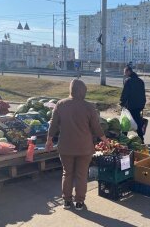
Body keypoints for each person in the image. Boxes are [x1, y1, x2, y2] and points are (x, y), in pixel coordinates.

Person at [46, 79, 108, 210]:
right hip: (84, 148)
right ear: (83, 91)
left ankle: (67, 201)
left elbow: (53, 124)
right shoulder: (89, 107)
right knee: (81, 175)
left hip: (65, 146)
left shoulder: (61, 104)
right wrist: (105, 140)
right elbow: (96, 128)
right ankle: (79, 202)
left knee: (67, 173)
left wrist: (49, 140)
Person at [120, 66, 146, 142]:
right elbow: (143, 94)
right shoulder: (140, 81)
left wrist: (122, 103)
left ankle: (123, 139)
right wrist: (143, 104)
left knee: (126, 122)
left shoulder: (128, 81)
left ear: (129, 71)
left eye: (125, 72)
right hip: (139, 105)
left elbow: (125, 93)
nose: (124, 74)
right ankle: (141, 139)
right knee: (137, 121)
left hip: (130, 105)